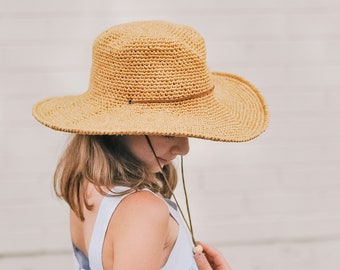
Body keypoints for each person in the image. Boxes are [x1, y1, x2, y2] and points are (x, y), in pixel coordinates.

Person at [33, 20, 269, 270]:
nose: (184, 148)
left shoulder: (87, 188)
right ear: (119, 127)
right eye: (169, 132)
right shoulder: (143, 212)